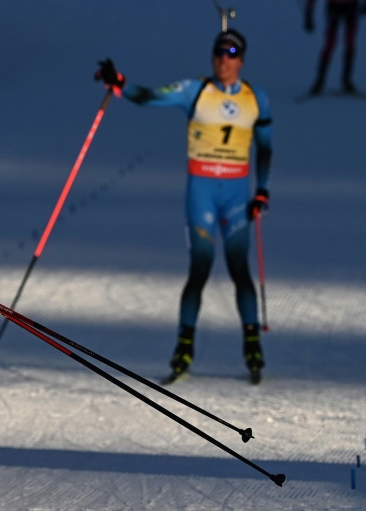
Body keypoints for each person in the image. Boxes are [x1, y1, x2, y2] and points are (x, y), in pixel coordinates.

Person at [117, 29, 272, 384]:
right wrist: (119, 83)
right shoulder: (195, 90)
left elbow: (265, 148)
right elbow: (149, 97)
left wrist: (262, 191)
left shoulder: (256, 99)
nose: (224, 59)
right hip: (202, 192)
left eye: (231, 53)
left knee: (239, 269)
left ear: (242, 60)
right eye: (219, 52)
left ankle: (252, 344)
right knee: (200, 268)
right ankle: (183, 347)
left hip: (235, 196)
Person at [305, 0, 366, 94]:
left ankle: (346, 81)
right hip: (335, 7)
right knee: (331, 43)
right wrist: (308, 15)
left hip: (350, 7)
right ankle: (320, 81)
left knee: (349, 42)